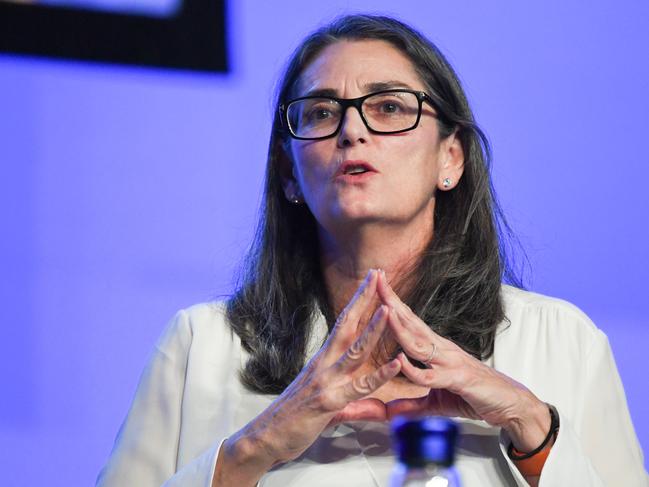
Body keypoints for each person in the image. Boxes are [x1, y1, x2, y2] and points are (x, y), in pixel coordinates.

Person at [96, 14, 648, 487]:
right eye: (319, 112)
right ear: (289, 173)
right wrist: (256, 446)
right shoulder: (201, 345)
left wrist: (534, 429)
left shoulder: (560, 340)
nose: (351, 130)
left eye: (387, 107)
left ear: (450, 159)